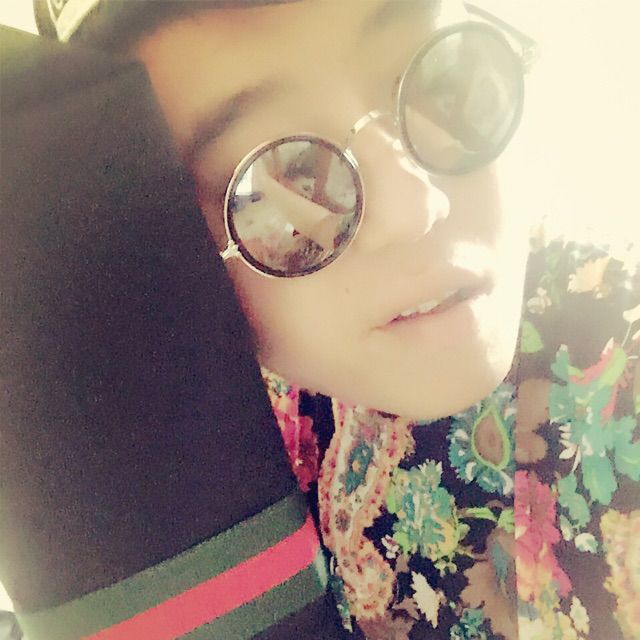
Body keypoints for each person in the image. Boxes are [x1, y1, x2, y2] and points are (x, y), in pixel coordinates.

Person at [3, 0, 639, 638]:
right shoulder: (194, 428)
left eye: (442, 84)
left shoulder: (617, 367)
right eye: (280, 181)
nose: (413, 208)